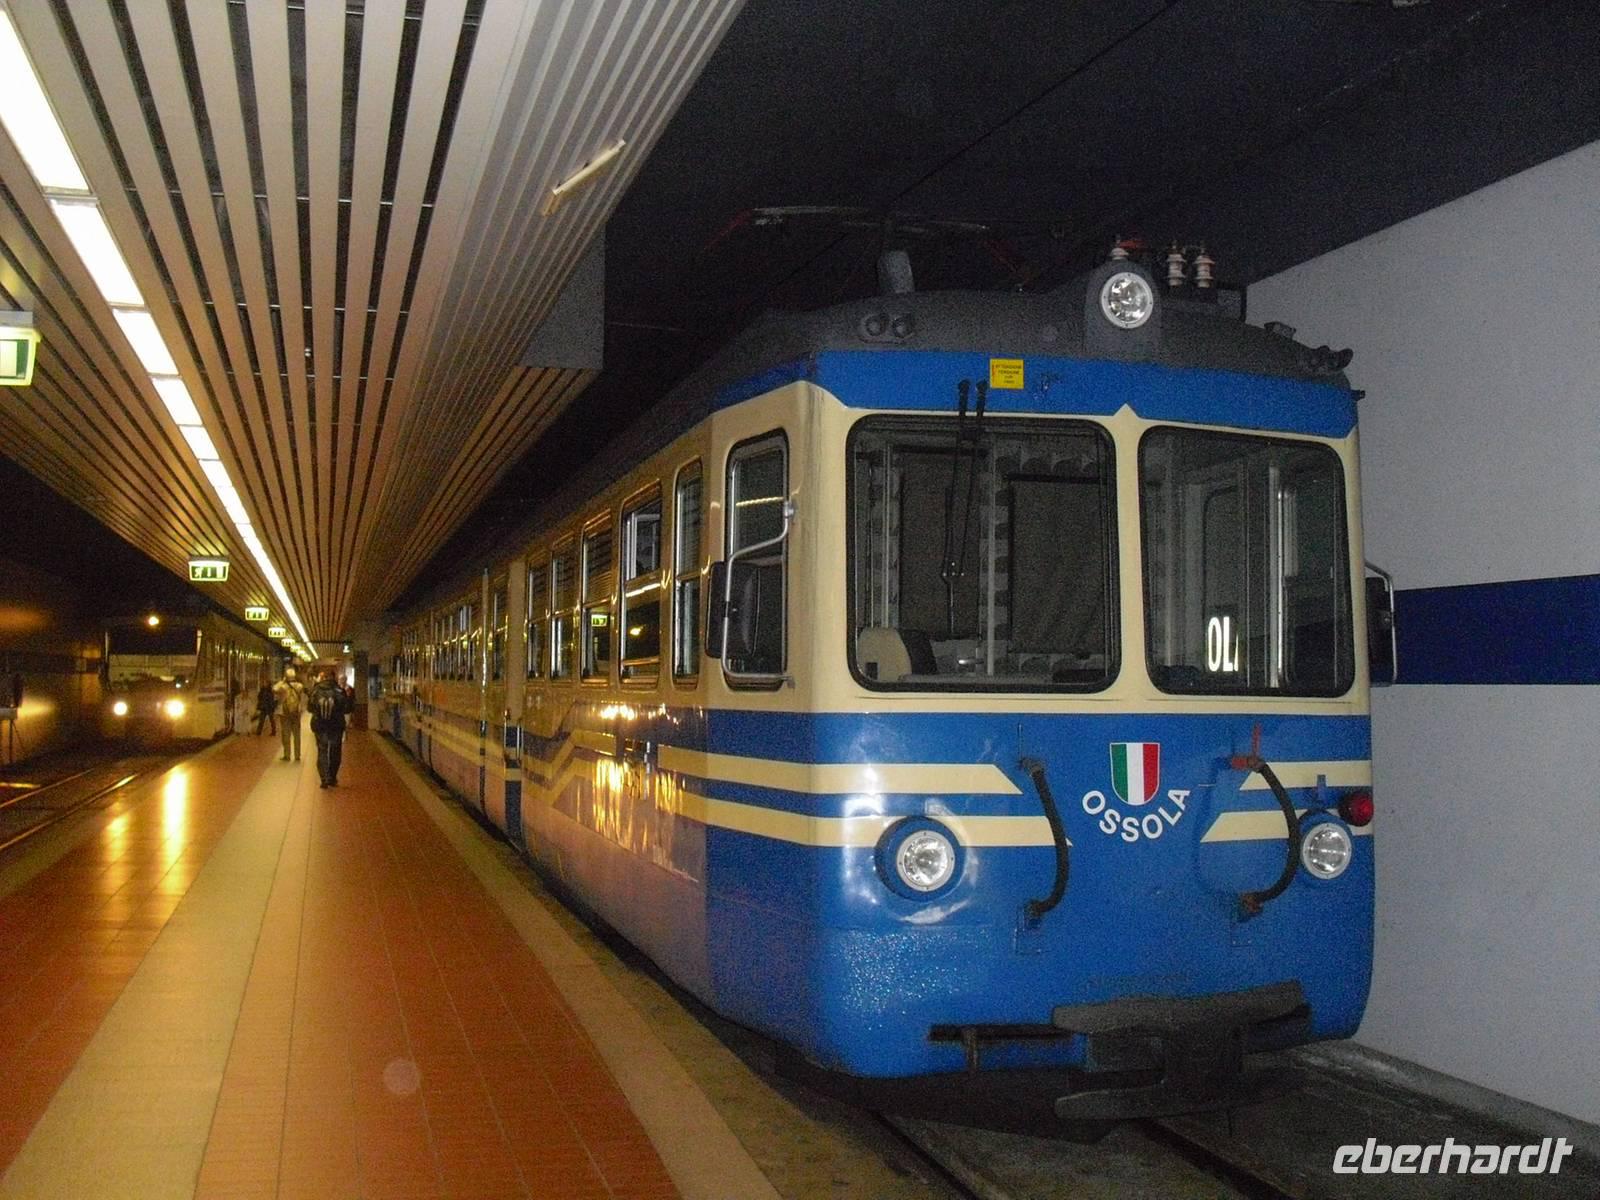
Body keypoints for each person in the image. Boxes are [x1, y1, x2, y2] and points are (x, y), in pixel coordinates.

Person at [308, 667, 353, 788]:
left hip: (320, 725)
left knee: (322, 750)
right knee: (335, 751)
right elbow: (347, 709)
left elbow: (309, 708)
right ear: (334, 677)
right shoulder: (339, 690)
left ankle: (324, 778)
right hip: (336, 725)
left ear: (323, 678)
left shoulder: (316, 690)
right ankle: (332, 778)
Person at [272, 666, 306, 762]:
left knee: (286, 734)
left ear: (286, 676)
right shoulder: (299, 686)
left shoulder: (283, 687)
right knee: (297, 735)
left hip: (285, 713)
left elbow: (274, 688)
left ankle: (287, 755)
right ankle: (297, 755)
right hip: (296, 713)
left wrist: (282, 681)